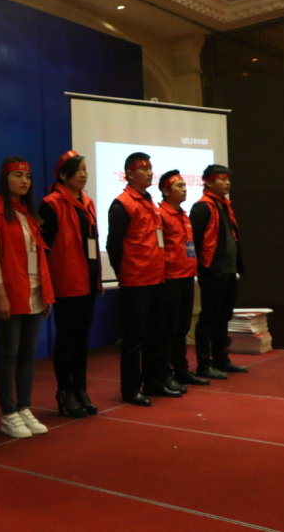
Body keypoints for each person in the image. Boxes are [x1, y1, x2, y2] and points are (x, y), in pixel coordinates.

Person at [0, 157, 54, 438]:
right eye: (18, 175)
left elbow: (39, 258)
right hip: (9, 295)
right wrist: (1, 295)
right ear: (5, 179)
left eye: (28, 177)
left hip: (33, 292)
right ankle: (8, 413)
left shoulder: (29, 215)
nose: (25, 181)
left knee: (28, 354)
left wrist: (45, 293)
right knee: (8, 353)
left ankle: (24, 408)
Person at [106, 153, 181, 407]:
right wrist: (124, 274)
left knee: (158, 334)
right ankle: (130, 388)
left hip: (157, 278)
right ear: (129, 174)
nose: (150, 173)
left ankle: (155, 382)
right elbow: (114, 246)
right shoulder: (123, 204)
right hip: (136, 282)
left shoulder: (149, 201)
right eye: (144, 169)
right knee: (134, 339)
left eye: (151, 168)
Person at [39, 151, 102, 419]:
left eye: (85, 169)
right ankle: (65, 391)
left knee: (82, 338)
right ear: (63, 175)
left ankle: (81, 389)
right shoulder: (50, 204)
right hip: (66, 281)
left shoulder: (87, 202)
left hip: (88, 279)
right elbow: (44, 248)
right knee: (67, 339)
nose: (84, 174)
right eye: (78, 170)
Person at [190, 164, 247, 379]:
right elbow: (194, 241)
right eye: (222, 179)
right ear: (209, 182)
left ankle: (222, 359)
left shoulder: (224, 205)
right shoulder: (202, 208)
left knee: (224, 316)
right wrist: (203, 270)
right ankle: (204, 363)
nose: (227, 183)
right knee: (209, 317)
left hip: (228, 271)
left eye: (228, 179)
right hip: (212, 272)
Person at [158, 170, 209, 389]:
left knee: (182, 328)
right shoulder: (160, 214)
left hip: (187, 276)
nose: (184, 188)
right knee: (169, 329)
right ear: (166, 191)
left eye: (184, 185)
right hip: (170, 279)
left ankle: (182, 370)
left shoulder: (184, 215)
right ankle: (166, 374)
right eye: (179, 185)